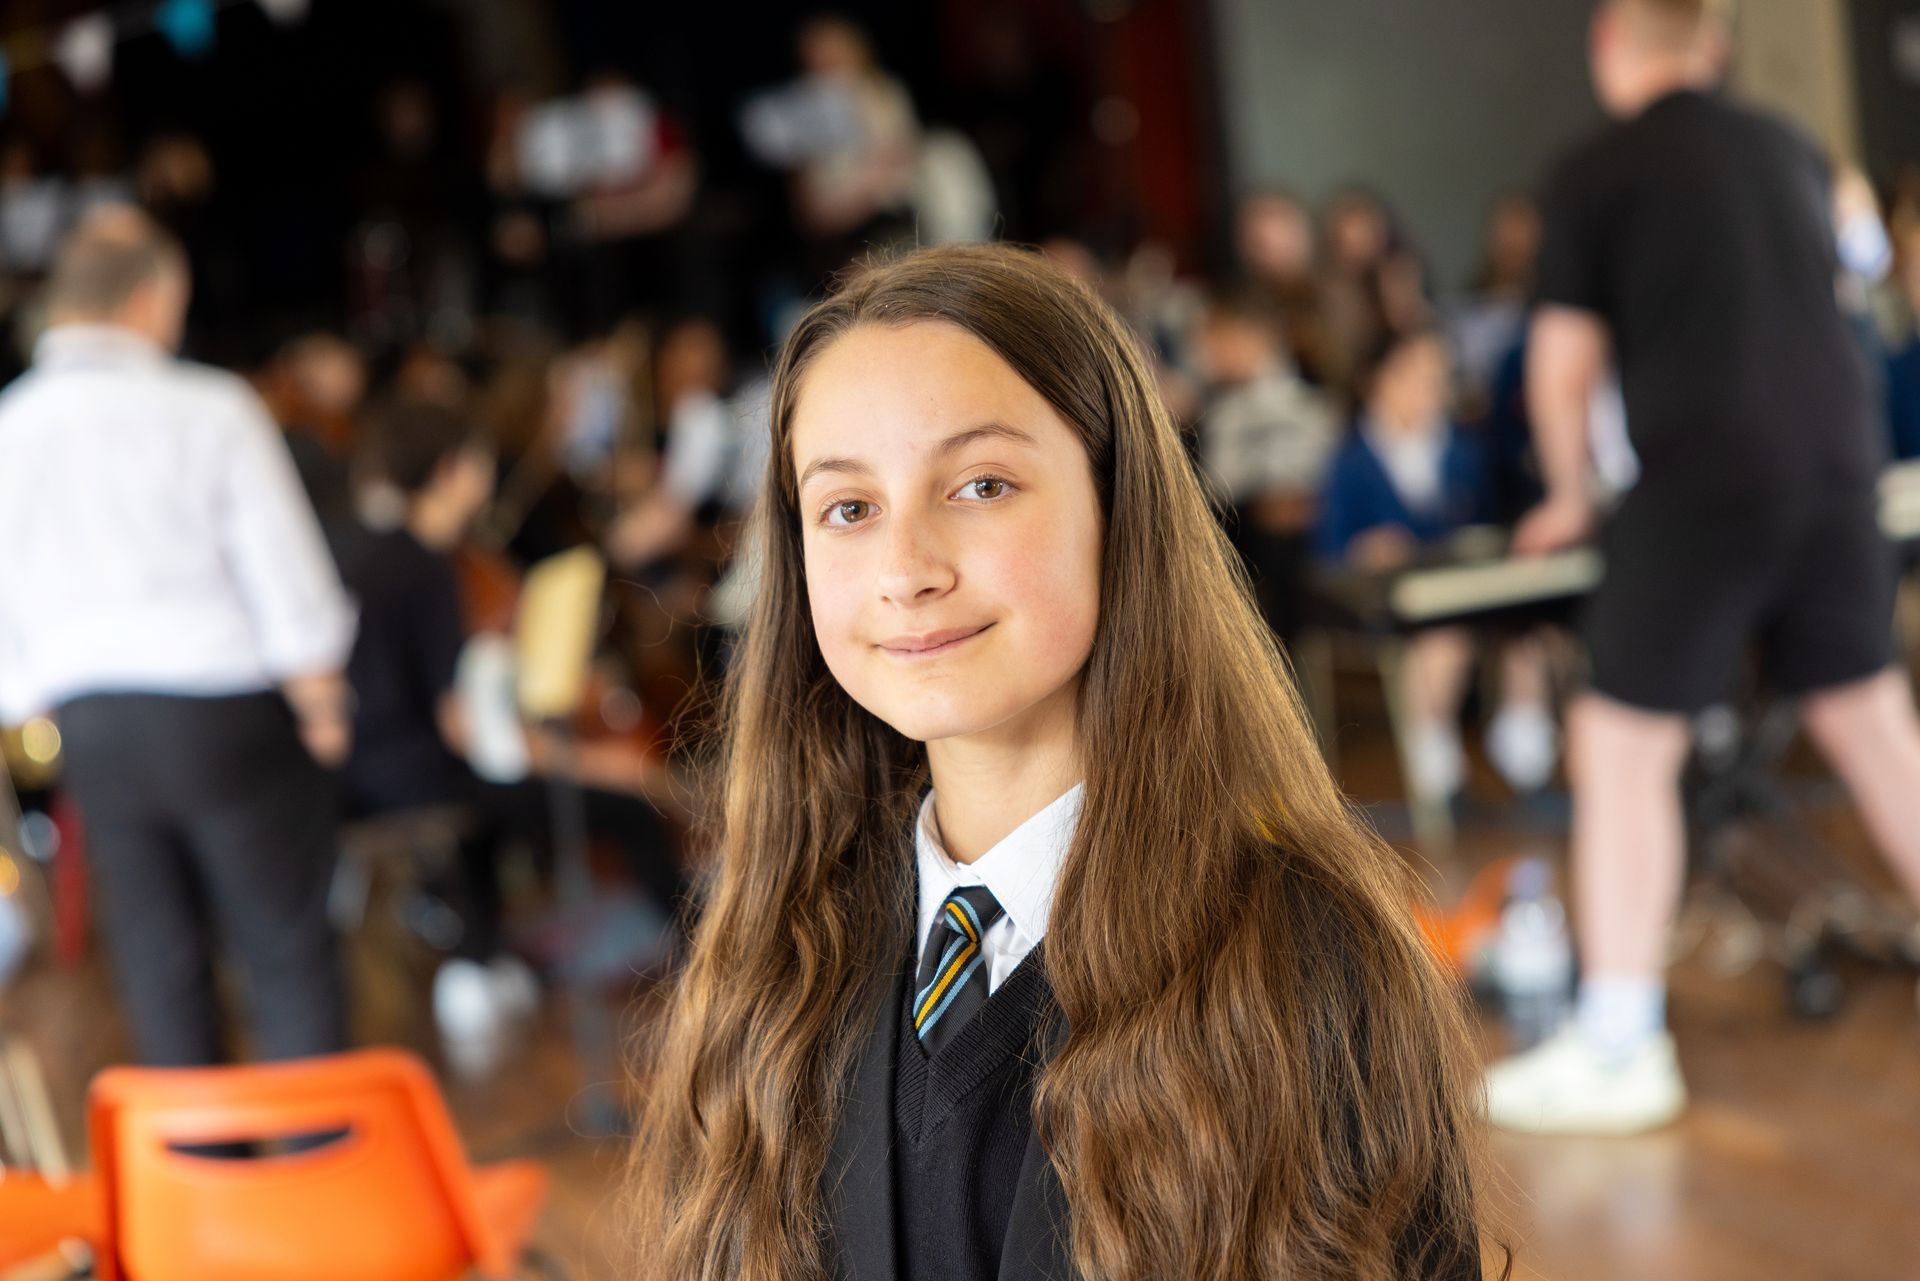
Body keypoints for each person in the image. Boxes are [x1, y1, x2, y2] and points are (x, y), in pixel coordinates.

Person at [626, 244, 1495, 1280]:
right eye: (849, 509)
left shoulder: (1310, 961)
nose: (906, 569)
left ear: (1116, 507)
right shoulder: (771, 956)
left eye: (982, 485)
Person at [1489, 0, 1920, 1133]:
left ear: (1607, 49)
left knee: (1622, 746)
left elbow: (1564, 358)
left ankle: (1622, 1042)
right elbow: (1848, 288)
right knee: (1873, 725)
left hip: (1704, 473)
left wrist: (1574, 493)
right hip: (1839, 467)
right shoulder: (1792, 145)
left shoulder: (1595, 167)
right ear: (1715, 48)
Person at [0, 205, 356, 1067]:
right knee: (285, 948)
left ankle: (203, 1181)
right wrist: (321, 700)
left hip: (91, 723)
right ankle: (321, 1171)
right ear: (154, 298)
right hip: (223, 711)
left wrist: (33, 701)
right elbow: (285, 573)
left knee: (159, 964)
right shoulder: (208, 406)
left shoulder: (11, 423)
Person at [331, 400, 689, 1052]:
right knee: (628, 811)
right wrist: (574, 759)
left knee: (494, 814)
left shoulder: (362, 548)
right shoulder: (426, 562)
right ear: (450, 471)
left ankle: (485, 952)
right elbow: (463, 727)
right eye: (478, 462)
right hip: (426, 776)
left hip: (356, 776)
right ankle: (702, 964)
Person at [1316, 328, 1560, 799]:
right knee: (1443, 644)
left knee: (1525, 634)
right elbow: (1327, 547)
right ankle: (1432, 753)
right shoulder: (1349, 460)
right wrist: (1364, 550)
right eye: (1416, 376)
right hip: (1394, 607)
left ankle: (1524, 743)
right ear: (1379, 380)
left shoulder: (1464, 453)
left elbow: (1486, 526)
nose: (1430, 389)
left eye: (1438, 377)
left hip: (1467, 592)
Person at [1191, 284, 1338, 644]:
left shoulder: (1311, 398)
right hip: (1240, 547)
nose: (1209, 354)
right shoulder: (1212, 410)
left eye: (1218, 341)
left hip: (1303, 550)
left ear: (1249, 336)